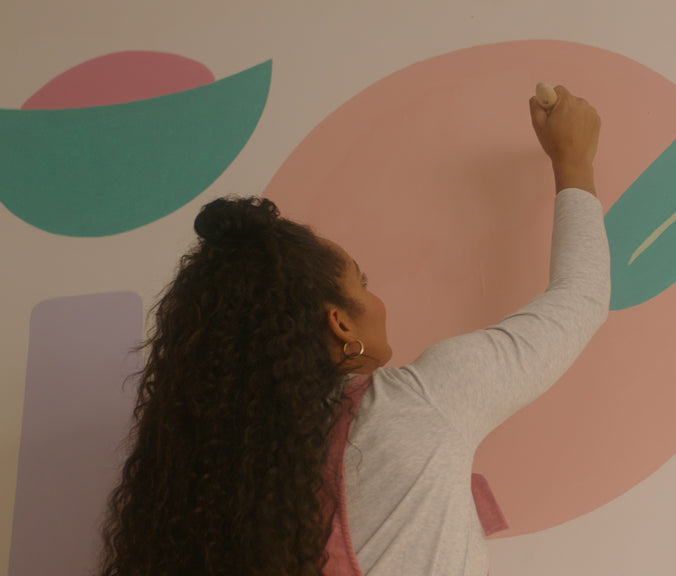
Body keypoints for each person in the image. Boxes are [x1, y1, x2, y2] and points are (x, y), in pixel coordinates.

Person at [98, 85, 610, 576]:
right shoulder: (416, 405)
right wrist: (573, 163)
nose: (377, 299)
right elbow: (578, 300)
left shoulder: (212, 485)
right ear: (341, 323)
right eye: (363, 283)